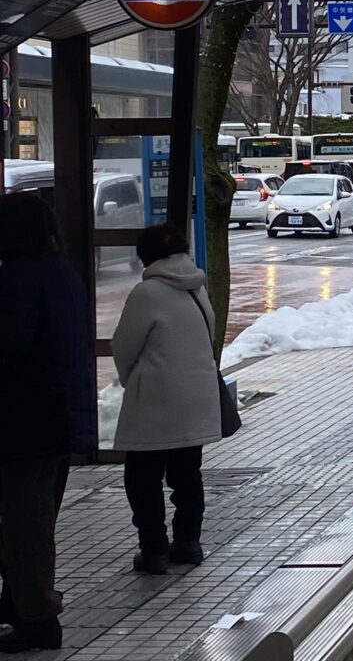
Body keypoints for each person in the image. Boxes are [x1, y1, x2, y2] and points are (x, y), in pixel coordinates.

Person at [0, 193, 92, 653]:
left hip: (23, 424)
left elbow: (9, 346)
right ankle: (20, 602)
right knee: (34, 519)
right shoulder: (60, 273)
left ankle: (36, 615)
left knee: (23, 524)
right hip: (53, 420)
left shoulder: (18, 278)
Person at [112, 224, 221, 575]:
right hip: (196, 400)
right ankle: (188, 541)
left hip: (155, 403)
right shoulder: (197, 288)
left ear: (146, 257)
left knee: (142, 478)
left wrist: (134, 380)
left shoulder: (148, 293)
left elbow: (124, 346)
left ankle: (154, 548)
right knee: (187, 475)